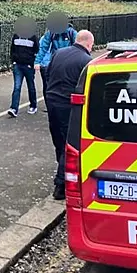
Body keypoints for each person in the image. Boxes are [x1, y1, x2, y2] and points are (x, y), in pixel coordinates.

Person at [45, 29, 94, 200]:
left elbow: (47, 74)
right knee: (69, 144)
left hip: (52, 101)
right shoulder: (87, 62)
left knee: (58, 140)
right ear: (89, 43)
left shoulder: (58, 53)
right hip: (69, 106)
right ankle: (61, 185)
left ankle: (63, 170)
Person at [34, 23, 78, 103]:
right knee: (51, 85)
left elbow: (78, 46)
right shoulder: (51, 33)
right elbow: (43, 47)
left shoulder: (71, 33)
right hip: (56, 61)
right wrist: (37, 61)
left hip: (68, 61)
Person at [8, 29, 39, 117]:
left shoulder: (33, 37)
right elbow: (12, 49)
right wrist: (14, 61)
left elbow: (37, 50)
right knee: (17, 87)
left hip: (28, 66)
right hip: (18, 65)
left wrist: (32, 63)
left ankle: (33, 105)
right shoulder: (16, 36)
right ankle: (14, 108)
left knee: (31, 86)